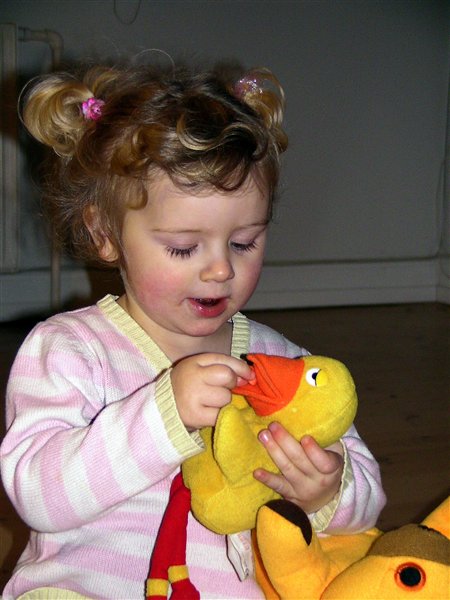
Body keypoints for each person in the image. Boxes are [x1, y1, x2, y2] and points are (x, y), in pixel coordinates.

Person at [0, 59, 386, 600]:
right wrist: (162, 416)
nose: (221, 269)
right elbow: (38, 495)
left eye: (244, 242)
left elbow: (367, 499)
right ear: (104, 233)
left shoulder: (281, 365)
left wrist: (328, 490)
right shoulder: (69, 350)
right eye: (184, 247)